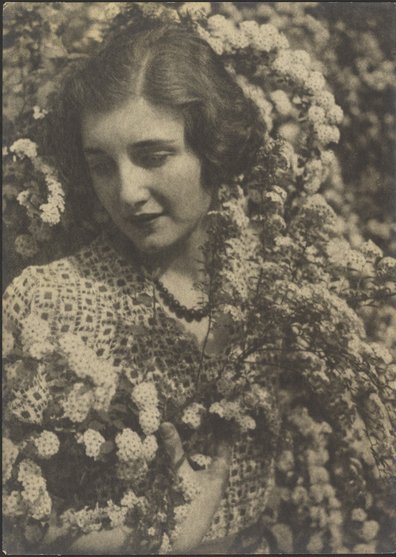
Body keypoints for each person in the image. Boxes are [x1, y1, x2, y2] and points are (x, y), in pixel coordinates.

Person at [3, 23, 273, 554]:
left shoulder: (268, 288)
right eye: (102, 166)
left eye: (152, 156)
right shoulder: (47, 302)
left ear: (214, 150)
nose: (126, 192)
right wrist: (159, 542)